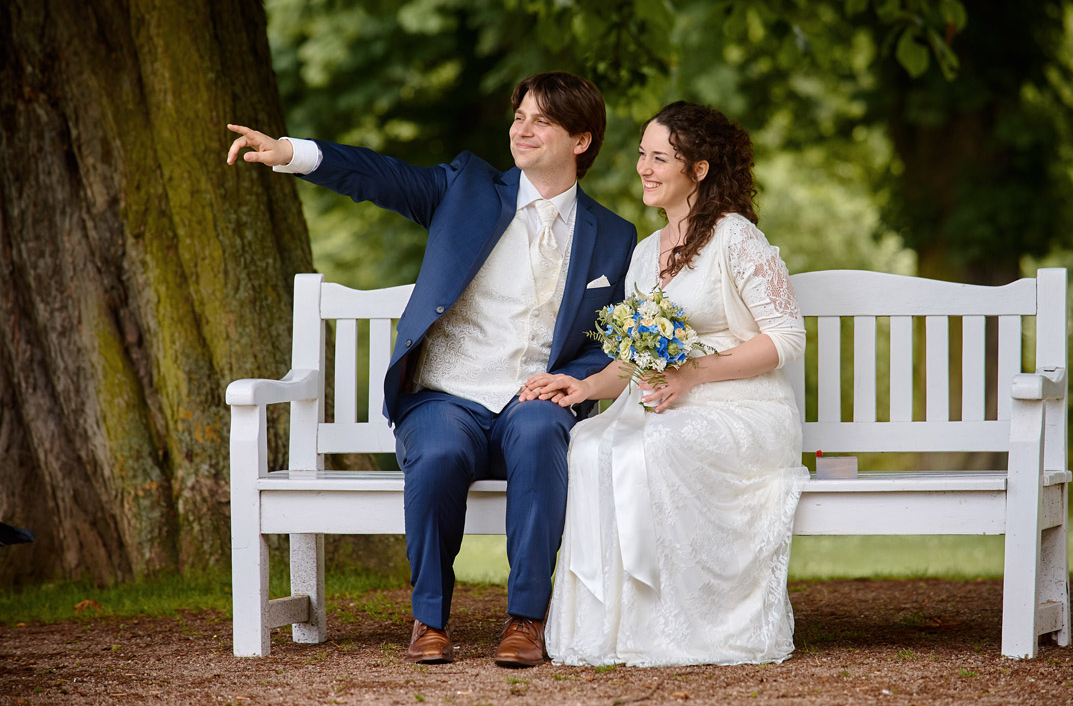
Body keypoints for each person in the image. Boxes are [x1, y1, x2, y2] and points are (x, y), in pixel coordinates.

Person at [226, 72, 637, 667]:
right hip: (447, 398)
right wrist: (294, 154)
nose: (522, 129)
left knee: (544, 428)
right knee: (441, 454)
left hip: (532, 399)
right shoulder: (467, 188)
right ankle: (429, 621)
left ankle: (526, 620)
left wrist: (574, 381)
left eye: (541, 120)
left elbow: (610, 337)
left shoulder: (614, 237)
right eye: (519, 115)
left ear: (581, 140)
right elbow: (383, 177)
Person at [521, 100, 809, 666]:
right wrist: (583, 387)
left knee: (657, 444)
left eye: (660, 158)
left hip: (744, 409)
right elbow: (634, 358)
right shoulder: (646, 253)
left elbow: (785, 339)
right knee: (589, 443)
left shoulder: (736, 237)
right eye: (641, 156)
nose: (644, 169)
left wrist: (692, 373)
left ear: (698, 169)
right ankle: (616, 630)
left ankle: (689, 625)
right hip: (666, 403)